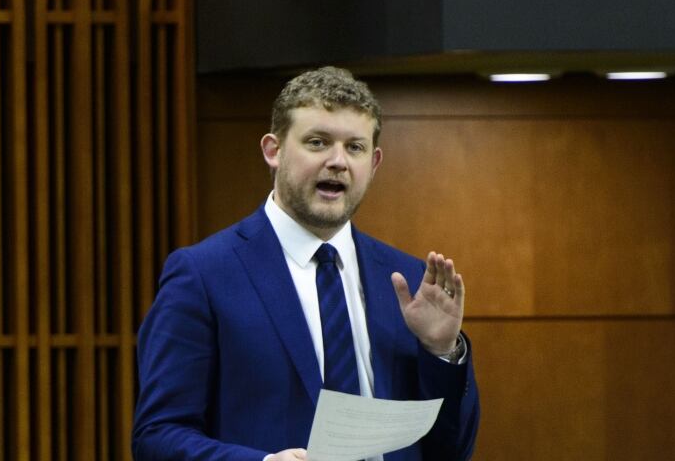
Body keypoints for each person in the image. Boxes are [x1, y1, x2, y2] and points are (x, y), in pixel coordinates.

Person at [132, 67, 480, 461]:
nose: (338, 162)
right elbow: (157, 436)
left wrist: (442, 351)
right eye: (317, 142)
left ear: (375, 162)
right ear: (273, 150)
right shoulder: (204, 275)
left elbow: (453, 449)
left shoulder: (408, 281)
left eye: (355, 147)